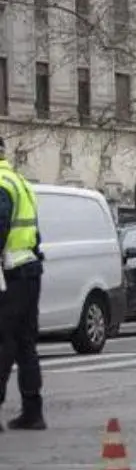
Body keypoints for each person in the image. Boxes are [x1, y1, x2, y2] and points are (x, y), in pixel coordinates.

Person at [0, 137, 46, 430]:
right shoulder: (19, 182)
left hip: (11, 274)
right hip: (29, 269)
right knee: (25, 343)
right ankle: (33, 410)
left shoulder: (2, 183)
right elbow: (33, 233)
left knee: (3, 341)